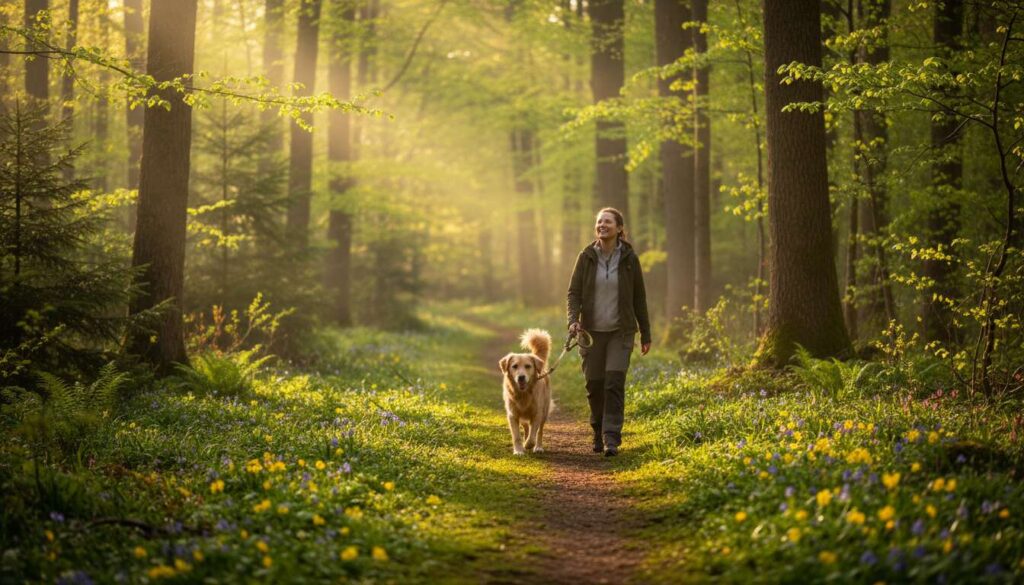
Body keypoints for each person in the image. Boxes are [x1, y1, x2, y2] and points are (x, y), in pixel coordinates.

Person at [567, 207, 651, 456]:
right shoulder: (586, 257)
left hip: (621, 331)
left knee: (614, 382)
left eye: (607, 221)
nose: (602, 225)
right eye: (599, 221)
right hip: (591, 332)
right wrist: (573, 320)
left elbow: (639, 298)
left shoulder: (629, 259)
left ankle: (611, 437)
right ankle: (597, 429)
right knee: (595, 384)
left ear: (619, 228)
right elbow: (574, 293)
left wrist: (645, 333)